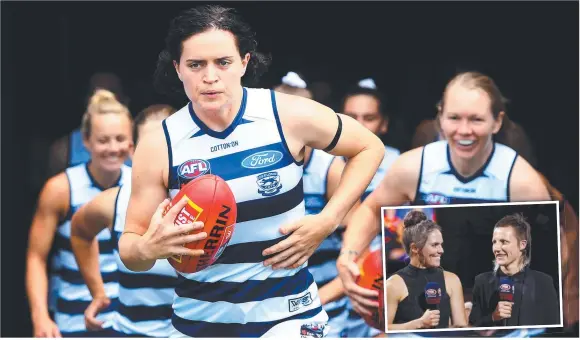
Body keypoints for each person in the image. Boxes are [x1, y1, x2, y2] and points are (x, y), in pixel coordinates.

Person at [118, 5, 385, 338]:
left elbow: (369, 147)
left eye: (223, 62)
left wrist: (328, 220)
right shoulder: (160, 144)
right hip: (199, 323)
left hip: (289, 317)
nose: (210, 76)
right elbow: (130, 248)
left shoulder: (285, 114)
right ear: (177, 69)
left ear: (244, 62)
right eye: (195, 64)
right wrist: (147, 249)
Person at [337, 71, 551, 338]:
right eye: (454, 118)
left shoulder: (521, 180)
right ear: (440, 117)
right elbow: (370, 209)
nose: (464, 130)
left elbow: (547, 255)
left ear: (496, 122)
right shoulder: (413, 167)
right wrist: (348, 256)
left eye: (476, 119)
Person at [26, 89, 133, 337]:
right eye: (103, 140)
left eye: (120, 139)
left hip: (128, 323)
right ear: (86, 141)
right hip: (73, 324)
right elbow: (36, 258)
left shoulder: (139, 186)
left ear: (131, 142)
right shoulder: (60, 189)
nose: (112, 148)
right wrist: (40, 316)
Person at [70, 104, 176, 337]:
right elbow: (79, 231)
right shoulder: (114, 202)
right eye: (150, 148)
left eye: (170, 145)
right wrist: (98, 293)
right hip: (129, 332)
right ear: (132, 151)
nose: (160, 156)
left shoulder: (216, 200)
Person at [275, 72, 355, 338]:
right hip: (267, 308)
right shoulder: (253, 162)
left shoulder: (329, 169)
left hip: (325, 307)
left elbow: (361, 248)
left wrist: (314, 300)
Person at [340, 78, 402, 337]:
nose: (359, 126)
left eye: (369, 118)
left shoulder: (399, 166)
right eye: (351, 117)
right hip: (325, 280)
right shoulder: (319, 163)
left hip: (377, 286)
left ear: (384, 123)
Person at [469, 213, 560, 327]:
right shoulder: (481, 282)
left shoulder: (543, 282)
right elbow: (473, 326)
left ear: (522, 245)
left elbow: (553, 327)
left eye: (504, 242)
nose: (497, 248)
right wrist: (493, 317)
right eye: (494, 242)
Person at [386, 211, 468, 330]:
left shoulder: (452, 280)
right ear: (414, 248)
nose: (441, 250)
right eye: (434, 245)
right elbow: (384, 330)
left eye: (441, 244)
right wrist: (419, 323)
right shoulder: (393, 284)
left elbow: (461, 328)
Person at [46, 72, 131, 179]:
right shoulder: (63, 148)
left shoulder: (142, 145)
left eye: (111, 93)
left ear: (125, 100)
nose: (104, 100)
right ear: (86, 100)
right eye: (96, 93)